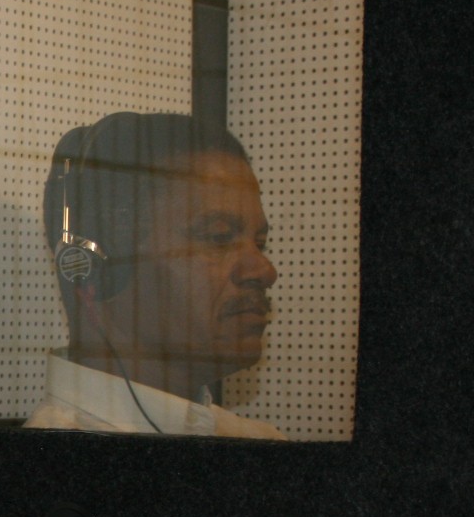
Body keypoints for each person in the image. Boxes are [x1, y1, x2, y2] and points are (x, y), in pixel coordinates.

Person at [25, 111, 285, 438]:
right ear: (96, 268)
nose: (264, 270)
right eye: (219, 238)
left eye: (260, 244)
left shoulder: (264, 442)